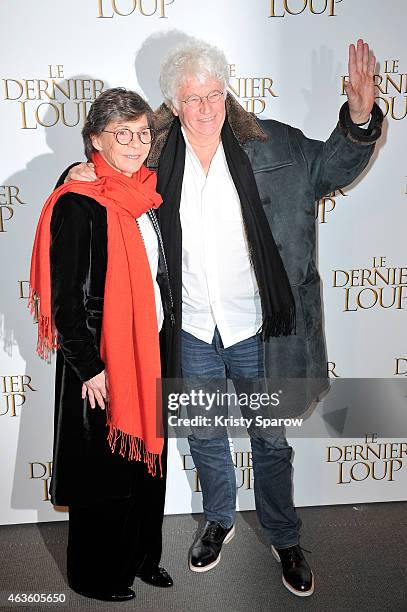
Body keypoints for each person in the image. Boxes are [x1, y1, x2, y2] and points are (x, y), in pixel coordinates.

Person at [64, 38, 383, 597]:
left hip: (256, 326)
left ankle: (285, 536)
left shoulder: (273, 144)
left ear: (226, 93)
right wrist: (79, 171)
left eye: (215, 93)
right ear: (174, 105)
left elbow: (332, 167)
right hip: (188, 328)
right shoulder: (154, 158)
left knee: (269, 436)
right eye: (193, 98)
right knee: (205, 434)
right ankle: (219, 519)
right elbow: (109, 186)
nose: (207, 106)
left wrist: (358, 119)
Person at [29, 88, 174, 602]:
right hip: (101, 360)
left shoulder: (145, 195)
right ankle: (95, 575)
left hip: (148, 351)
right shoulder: (79, 201)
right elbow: (66, 300)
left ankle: (141, 558)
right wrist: (89, 366)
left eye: (141, 132)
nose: (136, 143)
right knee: (103, 475)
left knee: (144, 468)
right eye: (122, 134)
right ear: (96, 140)